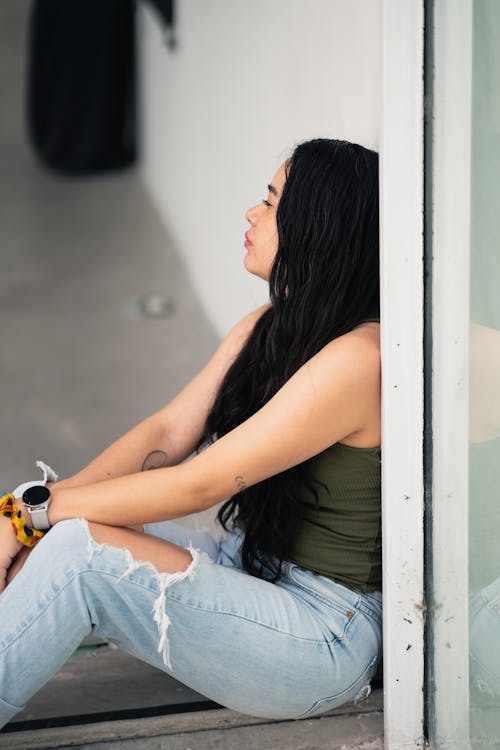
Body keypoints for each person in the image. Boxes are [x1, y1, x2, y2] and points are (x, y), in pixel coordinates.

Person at [0, 138, 382, 726]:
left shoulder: (361, 357)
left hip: (323, 632)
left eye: (272, 203)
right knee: (52, 535)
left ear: (317, 227)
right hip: (251, 565)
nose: (251, 214)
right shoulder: (273, 323)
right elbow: (170, 428)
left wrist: (33, 513)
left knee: (76, 550)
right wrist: (25, 519)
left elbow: (197, 484)